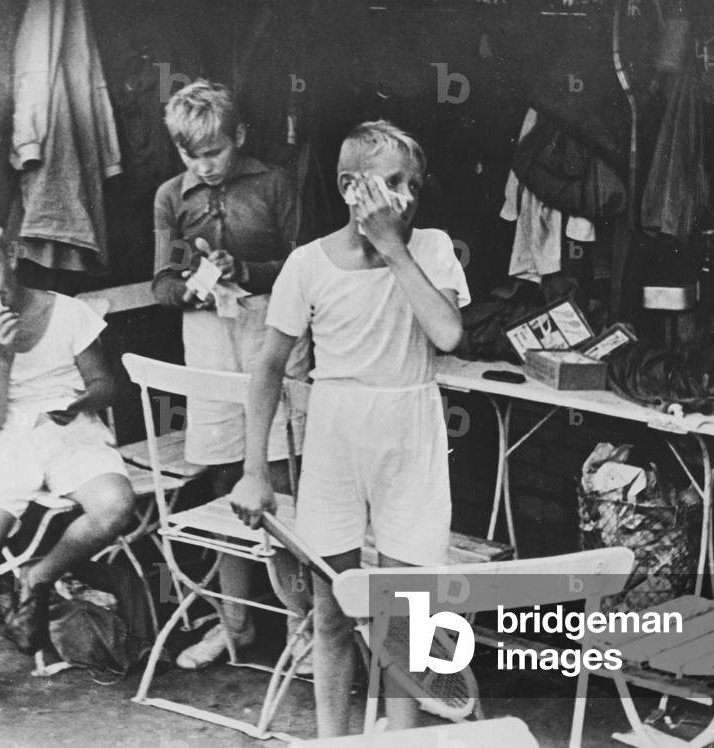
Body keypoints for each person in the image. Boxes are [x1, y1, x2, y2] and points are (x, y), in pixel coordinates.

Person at [230, 120, 470, 737]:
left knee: (405, 615)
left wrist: (395, 248)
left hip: (411, 427)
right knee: (332, 607)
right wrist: (255, 471)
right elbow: (266, 371)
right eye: (392, 182)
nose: (406, 197)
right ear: (349, 187)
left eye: (414, 184)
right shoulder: (308, 264)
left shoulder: (432, 247)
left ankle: (401, 737)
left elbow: (446, 335)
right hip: (336, 432)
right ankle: (332, 737)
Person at [0, 219, 136, 708]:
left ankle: (39, 576)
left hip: (69, 426)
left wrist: (81, 400)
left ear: (12, 257)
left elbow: (108, 387)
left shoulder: (67, 312)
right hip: (5, 435)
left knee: (115, 507)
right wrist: (2, 358)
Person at [152, 79, 311, 670]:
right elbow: (160, 281)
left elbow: (302, 266)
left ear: (238, 136)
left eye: (213, 151)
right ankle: (235, 625)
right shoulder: (171, 195)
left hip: (271, 328)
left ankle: (305, 627)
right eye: (191, 154)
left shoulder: (274, 183)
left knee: (278, 479)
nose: (204, 165)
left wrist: (243, 267)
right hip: (208, 337)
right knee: (224, 480)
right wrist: (186, 289)